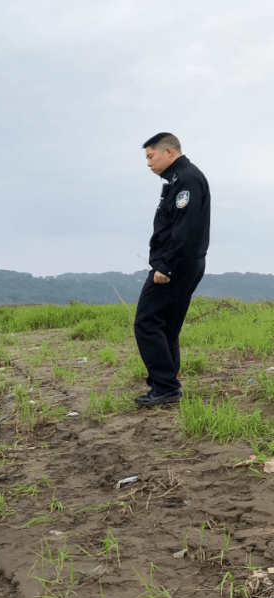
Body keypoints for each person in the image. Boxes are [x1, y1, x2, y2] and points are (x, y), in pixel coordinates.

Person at [134, 132, 210, 408]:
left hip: (177, 264)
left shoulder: (187, 179)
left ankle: (165, 386)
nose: (148, 163)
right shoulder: (178, 180)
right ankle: (167, 383)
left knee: (146, 321)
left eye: (151, 157)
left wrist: (166, 265)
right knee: (167, 325)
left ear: (169, 152)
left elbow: (185, 229)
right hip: (183, 262)